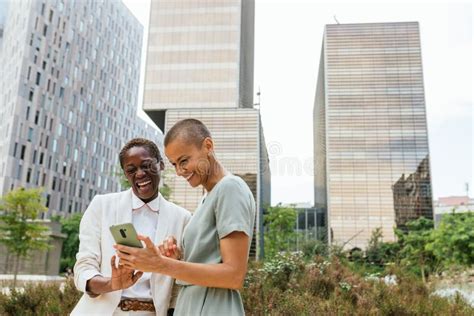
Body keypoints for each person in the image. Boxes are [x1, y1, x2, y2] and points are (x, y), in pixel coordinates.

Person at [115, 119, 256, 316]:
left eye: (184, 161)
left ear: (208, 146)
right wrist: (178, 256)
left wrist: (161, 264)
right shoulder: (207, 198)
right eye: (174, 164)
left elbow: (234, 275)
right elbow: (208, 260)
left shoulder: (230, 188)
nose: (180, 171)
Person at [71, 138, 191, 316]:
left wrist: (172, 263)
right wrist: (111, 283)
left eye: (147, 165)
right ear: (126, 174)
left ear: (161, 165)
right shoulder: (102, 206)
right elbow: (83, 268)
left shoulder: (182, 218)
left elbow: (178, 287)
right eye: (131, 170)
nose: (140, 174)